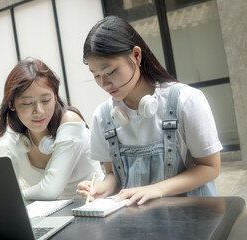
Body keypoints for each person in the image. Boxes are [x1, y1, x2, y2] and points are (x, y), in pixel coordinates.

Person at [76, 16, 222, 206]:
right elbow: (113, 174)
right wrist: (102, 188)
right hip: (139, 223)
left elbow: (210, 167)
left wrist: (157, 189)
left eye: (110, 71)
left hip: (193, 215)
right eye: (96, 75)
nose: (104, 84)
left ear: (136, 55)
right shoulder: (103, 116)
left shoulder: (186, 100)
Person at [0, 58, 104, 200]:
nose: (39, 111)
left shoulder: (70, 122)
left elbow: (50, 190)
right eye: (27, 103)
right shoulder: (15, 137)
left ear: (55, 98)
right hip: (51, 215)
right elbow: (5, 185)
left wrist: (13, 196)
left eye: (46, 100)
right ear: (12, 105)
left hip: (90, 208)